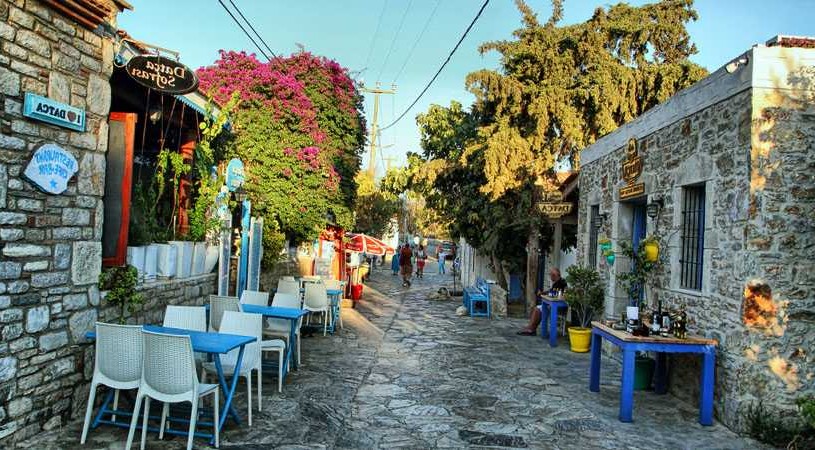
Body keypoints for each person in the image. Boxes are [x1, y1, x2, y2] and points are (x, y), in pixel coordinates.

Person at [517, 268, 568, 336]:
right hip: (552, 304)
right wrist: (542, 293)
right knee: (537, 309)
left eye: (551, 275)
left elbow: (558, 294)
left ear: (554, 275)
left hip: (558, 306)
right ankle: (531, 328)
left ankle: (531, 329)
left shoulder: (561, 283)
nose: (550, 277)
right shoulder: (557, 283)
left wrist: (543, 293)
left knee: (537, 309)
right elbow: (551, 292)